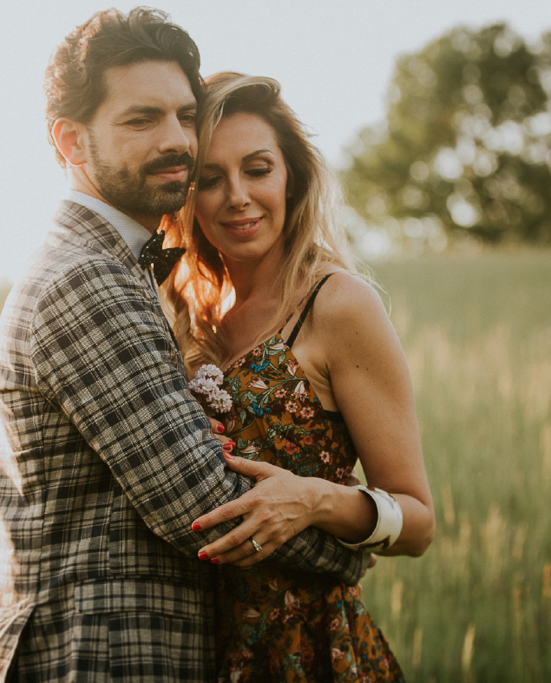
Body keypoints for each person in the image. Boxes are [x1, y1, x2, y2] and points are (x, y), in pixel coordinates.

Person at [0, 10, 367, 683]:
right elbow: (203, 509)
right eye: (141, 119)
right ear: (71, 140)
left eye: (185, 116)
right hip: (93, 658)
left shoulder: (120, 268)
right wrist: (350, 549)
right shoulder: (86, 279)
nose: (177, 140)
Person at [162, 73, 436, 682]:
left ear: (293, 176)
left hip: (310, 647)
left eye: (257, 169)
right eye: (210, 178)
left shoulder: (337, 303)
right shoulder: (196, 317)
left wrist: (314, 500)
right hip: (199, 647)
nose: (237, 196)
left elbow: (418, 521)